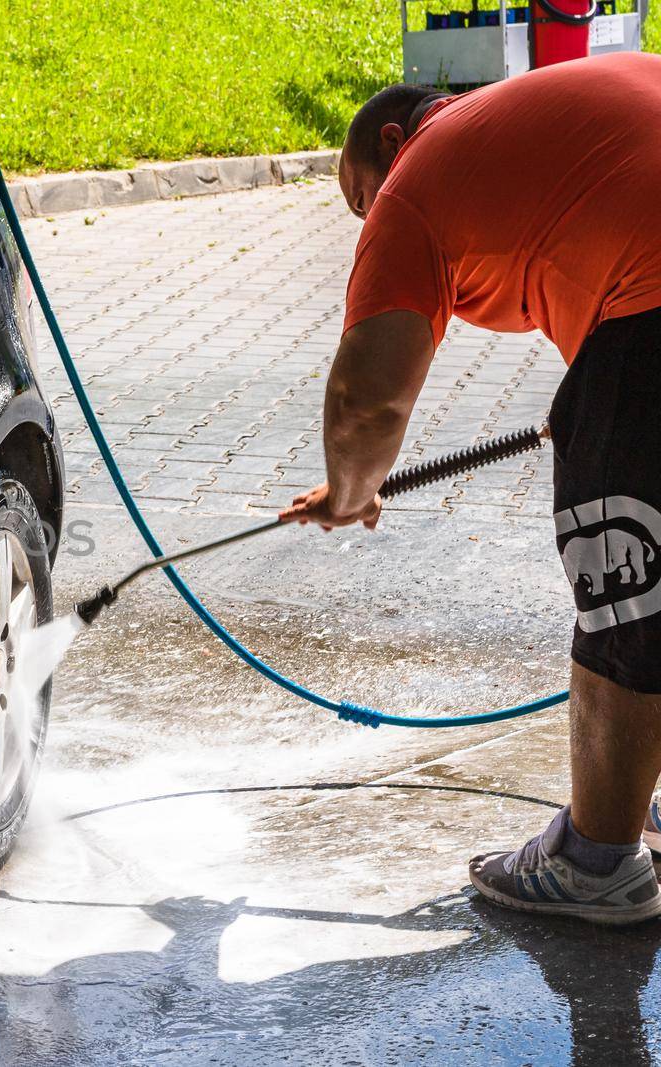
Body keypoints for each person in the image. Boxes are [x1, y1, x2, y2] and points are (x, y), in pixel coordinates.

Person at [279, 52, 661, 924]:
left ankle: (597, 861)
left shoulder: (416, 180)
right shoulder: (537, 121)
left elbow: (366, 396)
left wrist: (348, 490)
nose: (367, 224)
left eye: (359, 199)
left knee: (623, 574)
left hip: (652, 298)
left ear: (390, 139)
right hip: (643, 293)